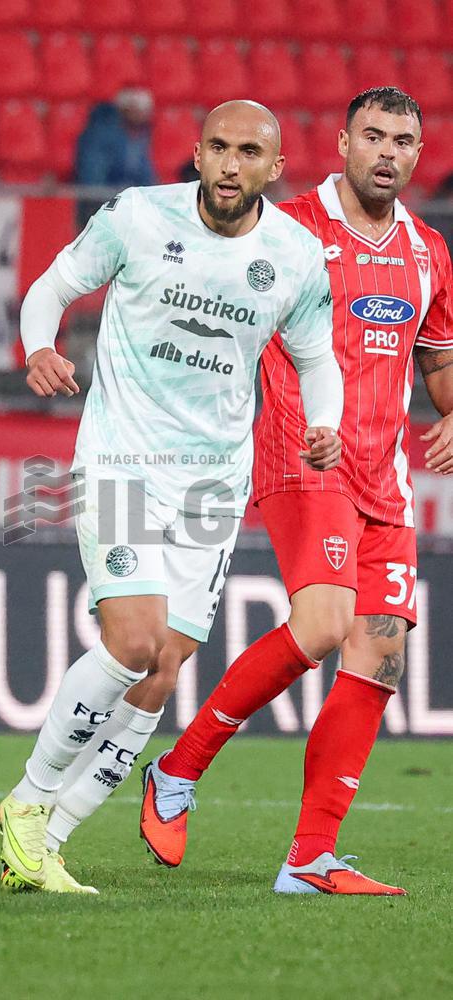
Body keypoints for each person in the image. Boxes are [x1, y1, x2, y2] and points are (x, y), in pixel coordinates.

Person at [0, 99, 344, 894]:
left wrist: (322, 423)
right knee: (133, 639)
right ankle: (29, 797)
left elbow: (318, 358)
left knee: (163, 669)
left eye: (248, 151)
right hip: (120, 459)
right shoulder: (137, 218)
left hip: (215, 482)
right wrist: (40, 347)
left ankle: (47, 842)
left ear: (275, 167)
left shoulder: (294, 254)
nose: (229, 164)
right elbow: (50, 290)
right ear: (195, 152)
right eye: (217, 147)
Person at [140, 87, 453, 896]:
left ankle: (310, 857)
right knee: (323, 625)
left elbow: (439, 364)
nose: (388, 152)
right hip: (301, 461)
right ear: (343, 142)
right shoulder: (288, 232)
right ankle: (177, 772)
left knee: (379, 653)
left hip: (386, 481)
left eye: (404, 140)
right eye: (373, 136)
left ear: (419, 154)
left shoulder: (428, 253)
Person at [74, 88, 157, 189]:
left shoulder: (145, 136)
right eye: (136, 110)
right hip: (104, 198)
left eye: (144, 110)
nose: (141, 115)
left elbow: (146, 177)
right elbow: (93, 176)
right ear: (124, 111)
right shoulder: (100, 136)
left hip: (133, 197)